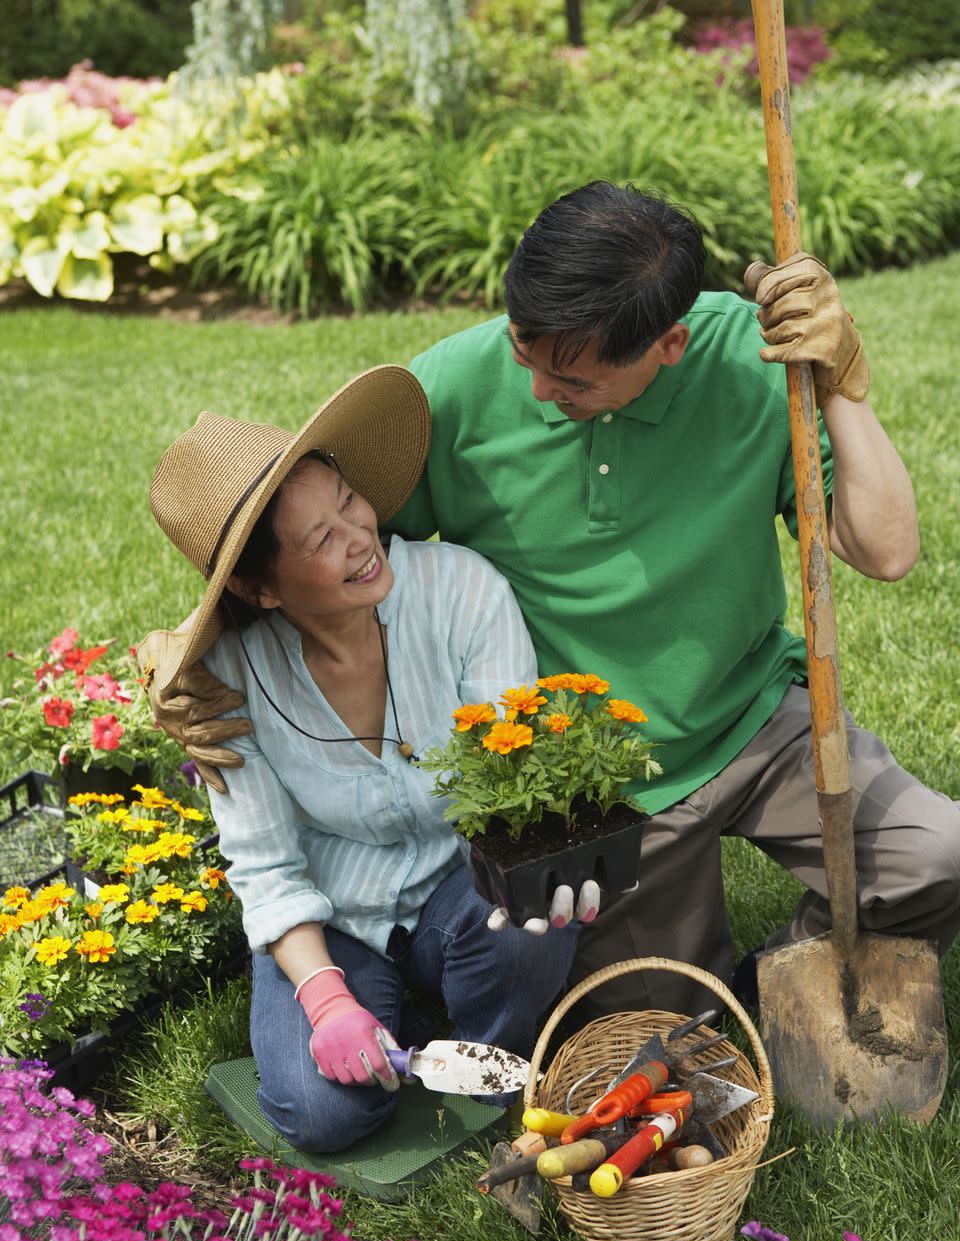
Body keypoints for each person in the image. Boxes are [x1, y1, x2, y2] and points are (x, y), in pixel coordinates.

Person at [139, 182, 960, 1025]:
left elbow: (886, 550)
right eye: (522, 349)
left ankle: (781, 976)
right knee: (668, 1028)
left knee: (940, 857)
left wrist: (840, 385)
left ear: (669, 344)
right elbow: (303, 537)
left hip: (758, 718)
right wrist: (192, 647)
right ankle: (740, 1003)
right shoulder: (452, 390)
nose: (534, 390)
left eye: (569, 377)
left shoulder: (756, 361)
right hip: (603, 782)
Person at [146, 365, 581, 1153]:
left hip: (461, 882)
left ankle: (469, 1034)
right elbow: (268, 867)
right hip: (333, 914)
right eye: (321, 538)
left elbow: (514, 791)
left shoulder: (462, 594)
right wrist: (324, 999)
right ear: (264, 589)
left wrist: (545, 873)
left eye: (349, 503)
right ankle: (388, 1015)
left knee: (529, 931)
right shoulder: (227, 689)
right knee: (323, 1116)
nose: (360, 538)